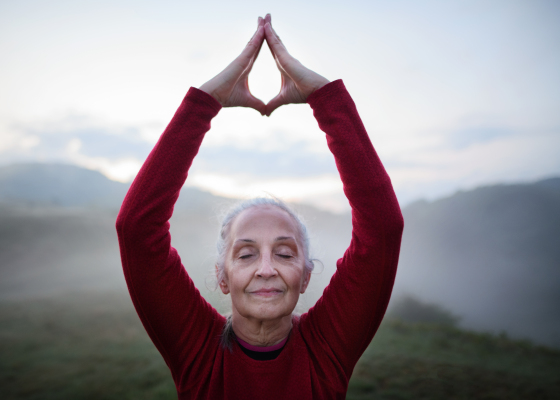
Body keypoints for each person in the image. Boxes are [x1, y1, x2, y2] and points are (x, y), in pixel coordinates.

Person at [116, 14, 404, 399]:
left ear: (304, 276)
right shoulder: (199, 350)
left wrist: (325, 98)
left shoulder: (326, 347)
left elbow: (382, 230)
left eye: (284, 253)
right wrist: (205, 103)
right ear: (222, 277)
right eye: (246, 254)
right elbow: (137, 230)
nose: (266, 270)